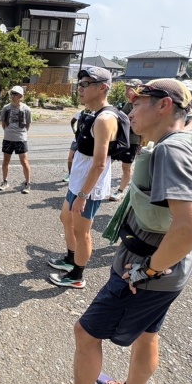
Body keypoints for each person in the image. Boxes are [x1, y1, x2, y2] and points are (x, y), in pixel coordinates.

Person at [39, 79, 192, 384]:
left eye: (139, 101)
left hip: (143, 270)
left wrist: (147, 270)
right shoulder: (182, 141)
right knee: (147, 334)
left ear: (163, 106)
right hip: (170, 269)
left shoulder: (171, 152)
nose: (130, 109)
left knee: (86, 333)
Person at [47, 67, 119, 289]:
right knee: (66, 219)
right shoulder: (90, 113)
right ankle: (71, 259)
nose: (80, 88)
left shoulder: (105, 119)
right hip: (78, 183)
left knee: (82, 232)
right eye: (80, 83)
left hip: (88, 189)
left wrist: (83, 195)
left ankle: (77, 276)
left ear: (103, 88)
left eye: (86, 84)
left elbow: (99, 164)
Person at [109, 79, 143, 202]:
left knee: (126, 167)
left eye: (130, 88)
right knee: (107, 161)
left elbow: (142, 126)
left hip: (132, 140)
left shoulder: (139, 105)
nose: (127, 90)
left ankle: (120, 191)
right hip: (120, 138)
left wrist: (140, 144)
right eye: (126, 87)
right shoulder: (126, 104)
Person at [0, 86, 32, 193]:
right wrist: (9, 132)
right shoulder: (6, 108)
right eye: (11, 93)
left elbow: (28, 125)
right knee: (6, 160)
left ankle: (27, 183)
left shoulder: (26, 109)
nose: (12, 96)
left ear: (20, 96)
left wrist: (21, 134)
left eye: (15, 94)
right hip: (8, 138)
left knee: (24, 161)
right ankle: (5, 181)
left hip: (21, 138)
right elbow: (3, 124)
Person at [62, 107, 92, 184]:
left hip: (86, 141)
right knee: (70, 158)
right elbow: (72, 121)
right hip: (76, 140)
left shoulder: (94, 114)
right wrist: (74, 130)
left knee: (84, 160)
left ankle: (84, 177)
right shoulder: (80, 113)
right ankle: (70, 175)